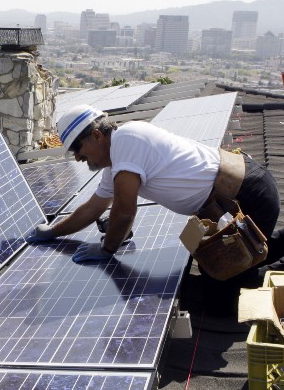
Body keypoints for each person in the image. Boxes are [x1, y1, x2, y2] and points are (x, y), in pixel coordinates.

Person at [27, 104, 281, 315]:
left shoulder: (127, 140)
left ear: (96, 135)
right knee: (216, 277)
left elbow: (125, 211)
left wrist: (107, 249)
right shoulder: (115, 163)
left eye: (78, 149)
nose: (79, 159)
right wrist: (53, 231)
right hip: (231, 203)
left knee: (223, 301)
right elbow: (93, 207)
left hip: (248, 197)